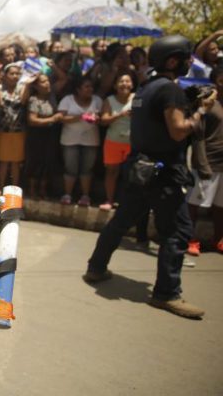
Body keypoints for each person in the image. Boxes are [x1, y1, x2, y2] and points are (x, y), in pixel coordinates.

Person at [85, 35, 216, 320]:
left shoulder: (146, 87)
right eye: (186, 58)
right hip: (163, 174)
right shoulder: (169, 90)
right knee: (178, 231)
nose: (190, 62)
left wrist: (188, 103)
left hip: (140, 169)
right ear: (172, 61)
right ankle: (166, 294)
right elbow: (178, 130)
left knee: (120, 222)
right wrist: (201, 111)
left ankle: (95, 267)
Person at [187, 66, 223, 255]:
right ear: (216, 78)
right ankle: (190, 239)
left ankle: (219, 240)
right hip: (207, 161)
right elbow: (197, 134)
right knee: (195, 204)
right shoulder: (207, 101)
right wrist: (202, 163)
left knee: (220, 206)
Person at [58, 77, 102, 206]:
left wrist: (95, 119)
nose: (90, 89)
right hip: (70, 140)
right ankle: (67, 195)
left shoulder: (97, 100)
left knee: (87, 170)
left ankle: (85, 196)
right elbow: (61, 118)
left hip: (91, 140)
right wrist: (81, 117)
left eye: (91, 87)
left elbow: (101, 117)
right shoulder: (68, 100)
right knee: (70, 169)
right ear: (78, 89)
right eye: (86, 87)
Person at [0, 62, 31, 192]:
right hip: (3, 131)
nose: (15, 76)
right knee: (3, 161)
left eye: (17, 74)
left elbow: (23, 102)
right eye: (12, 73)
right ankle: (1, 187)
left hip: (18, 132)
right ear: (5, 75)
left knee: (16, 163)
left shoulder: (22, 88)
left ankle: (14, 188)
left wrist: (28, 84)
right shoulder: (0, 88)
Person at [99, 71, 135, 210]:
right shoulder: (109, 100)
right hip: (113, 141)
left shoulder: (137, 98)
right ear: (115, 85)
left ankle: (126, 202)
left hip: (132, 142)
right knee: (111, 172)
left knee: (131, 174)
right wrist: (121, 115)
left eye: (127, 81)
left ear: (132, 84)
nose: (124, 84)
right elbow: (103, 120)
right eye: (121, 81)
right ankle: (109, 200)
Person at [23, 73, 62, 199]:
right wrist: (52, 119)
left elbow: (64, 79)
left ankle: (43, 190)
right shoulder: (34, 100)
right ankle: (32, 190)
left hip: (50, 135)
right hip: (36, 136)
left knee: (48, 162)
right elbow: (32, 120)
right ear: (36, 86)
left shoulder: (52, 96)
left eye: (47, 81)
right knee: (35, 163)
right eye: (43, 82)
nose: (47, 84)